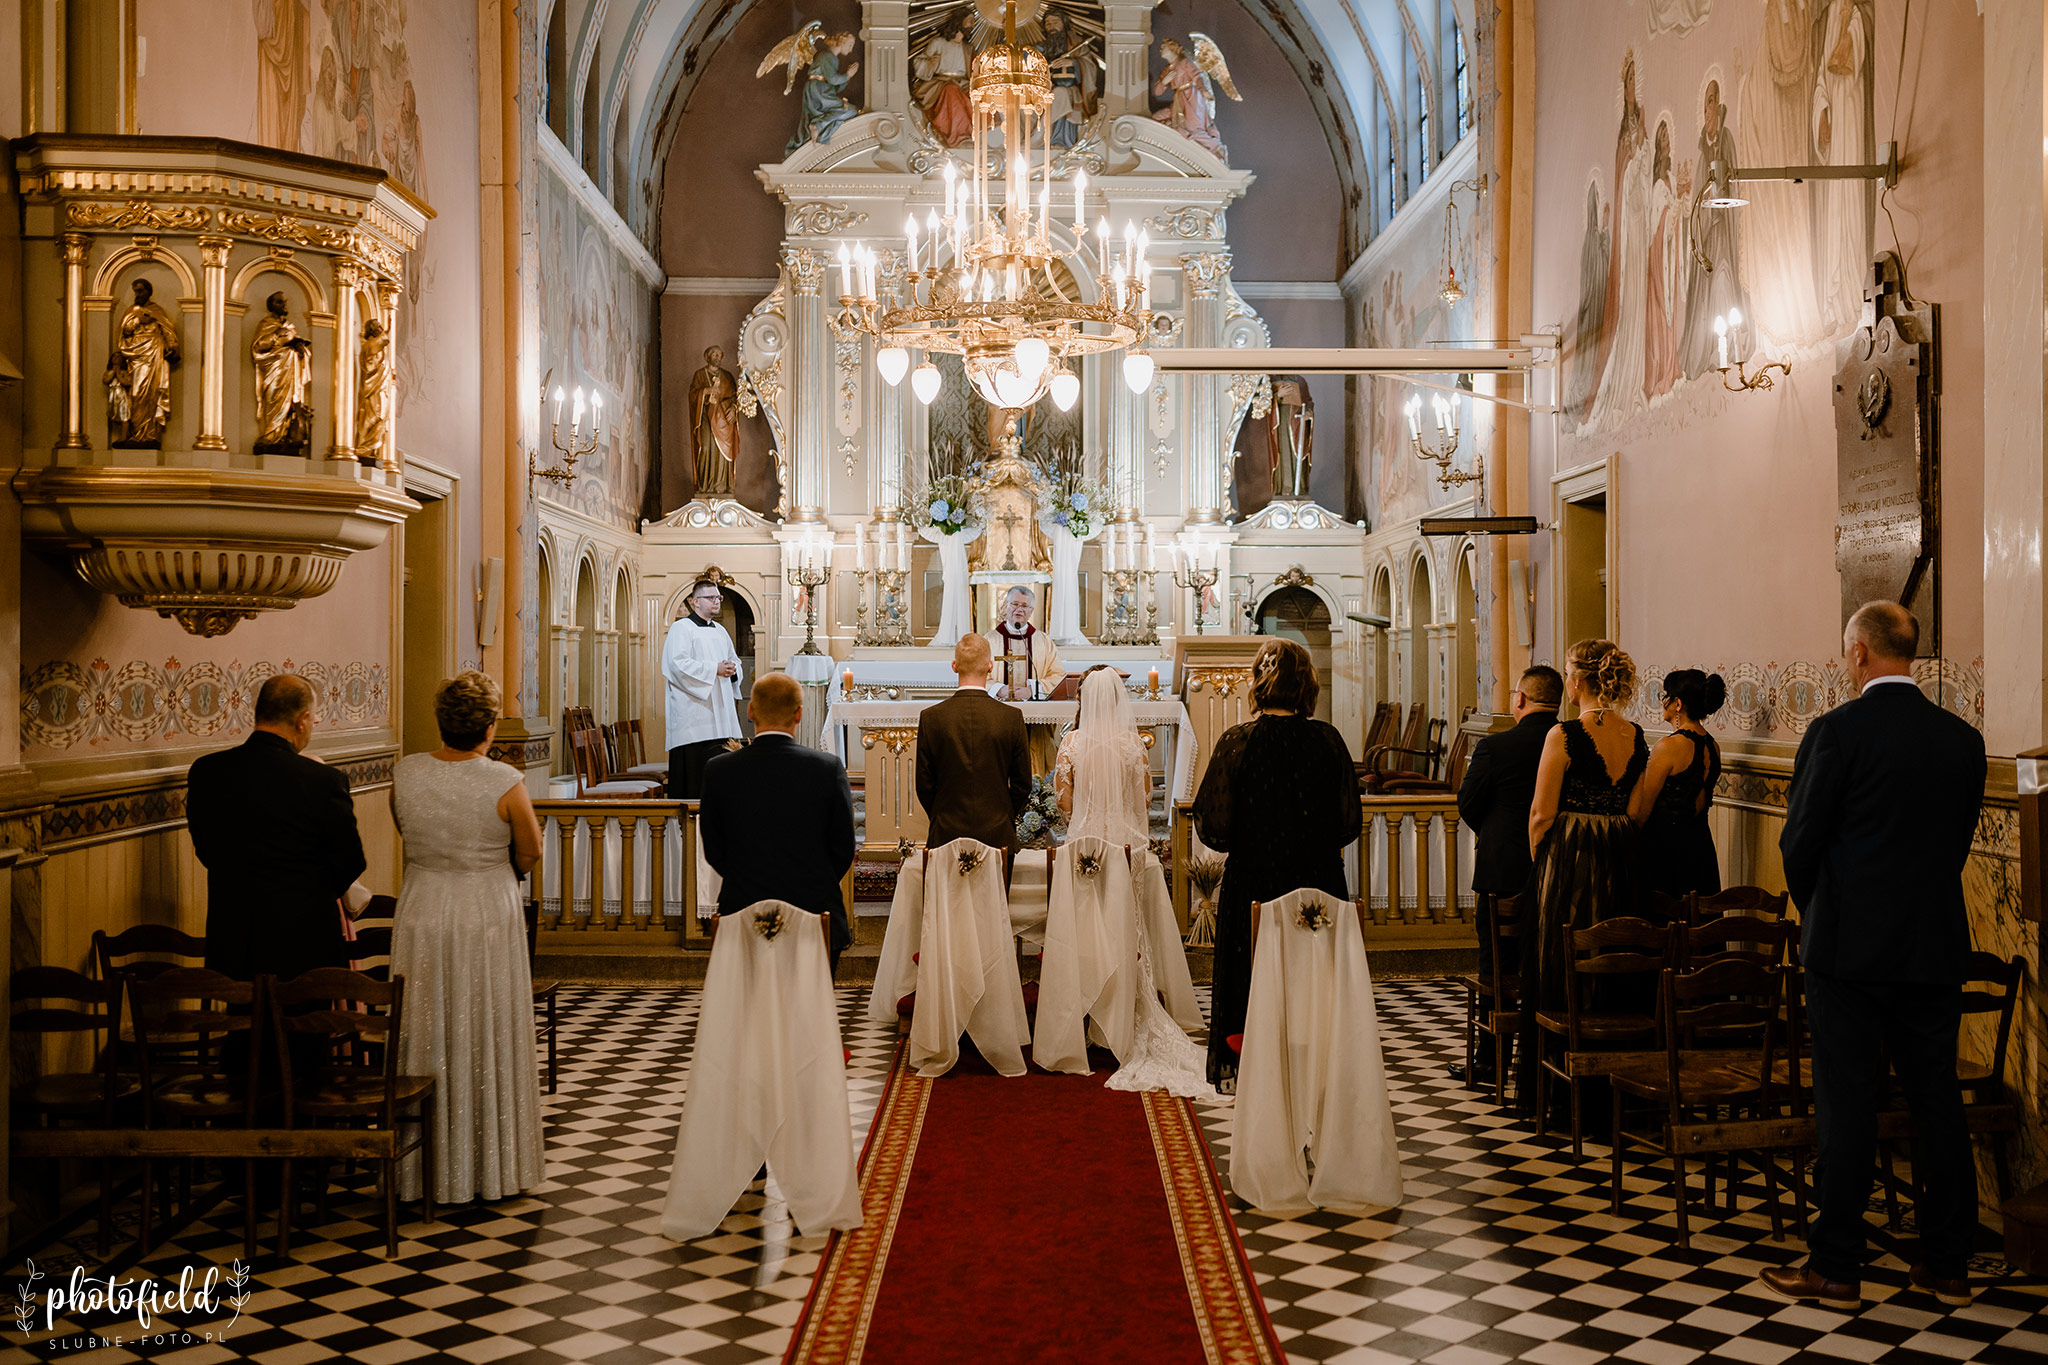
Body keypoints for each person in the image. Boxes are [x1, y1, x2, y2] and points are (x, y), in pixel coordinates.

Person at [1761, 603, 1985, 1313]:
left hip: (1847, 950)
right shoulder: (1963, 739)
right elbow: (1956, 843)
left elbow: (1799, 842)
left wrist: (1822, 910)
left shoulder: (1836, 731)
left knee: (1847, 1103)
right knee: (1936, 1100)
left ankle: (1835, 1267)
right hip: (1931, 945)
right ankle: (1949, 1264)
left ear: (1858, 652)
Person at [388, 671, 546, 1206]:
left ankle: (419, 1172)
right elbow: (530, 850)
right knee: (486, 1024)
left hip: (422, 908)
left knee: (426, 1024)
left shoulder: (406, 772)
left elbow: (406, 829)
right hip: (485, 912)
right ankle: (490, 1165)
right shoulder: (503, 779)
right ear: (490, 726)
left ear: (441, 721)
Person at [1192, 639, 1361, 1092]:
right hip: (1317, 879)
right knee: (1313, 976)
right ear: (1307, 685)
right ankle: (1316, 1067)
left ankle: (1253, 1068)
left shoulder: (1238, 742)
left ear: (1258, 681)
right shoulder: (1327, 739)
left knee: (1251, 974)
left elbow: (1213, 828)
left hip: (1255, 879)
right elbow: (1349, 822)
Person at [1058, 667, 1212, 1099]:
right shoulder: (1133, 745)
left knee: (1086, 930)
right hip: (1129, 849)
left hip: (1086, 849)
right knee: (1128, 930)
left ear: (1085, 700)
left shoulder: (1072, 743)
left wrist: (1084, 818)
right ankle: (1126, 1013)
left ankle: (1090, 1015)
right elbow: (1145, 797)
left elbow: (1065, 801)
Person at [1516, 639, 1647, 1121]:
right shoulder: (1635, 735)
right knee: (1612, 960)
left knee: (1561, 963)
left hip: (1570, 859)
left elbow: (1540, 813)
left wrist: (1543, 863)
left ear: (1577, 681)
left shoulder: (1564, 734)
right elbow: (1636, 810)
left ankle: (1559, 1092)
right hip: (1621, 857)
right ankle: (1610, 1092)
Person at [187, 674, 365, 982]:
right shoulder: (324, 780)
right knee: (306, 1014)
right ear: (302, 721)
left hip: (233, 940)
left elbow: (206, 849)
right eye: (314, 719)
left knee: (241, 1013)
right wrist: (310, 894)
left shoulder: (207, 771)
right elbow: (351, 861)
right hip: (305, 946)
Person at [1449, 664, 1563, 1085]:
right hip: (1558, 869)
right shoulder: (1571, 742)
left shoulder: (1497, 746)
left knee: (1496, 967)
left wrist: (1496, 833)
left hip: (1502, 872)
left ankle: (1490, 1061)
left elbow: (1468, 801)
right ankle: (1547, 1060)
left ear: (1521, 699)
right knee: (1550, 964)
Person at [700, 672, 858, 972]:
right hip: (815, 910)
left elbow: (714, 847)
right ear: (799, 714)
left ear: (750, 710)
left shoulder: (719, 770)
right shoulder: (827, 768)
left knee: (748, 1001)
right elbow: (843, 847)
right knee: (811, 1001)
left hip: (742, 909)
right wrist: (813, 882)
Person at [916, 633, 1031, 857]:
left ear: (954, 666)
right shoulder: (1011, 717)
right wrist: (1004, 814)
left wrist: (942, 815)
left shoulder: (931, 718)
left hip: (946, 832)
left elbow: (924, 784)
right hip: (998, 833)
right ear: (990, 667)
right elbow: (1022, 784)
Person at [1630, 669, 1726, 901]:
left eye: (1666, 696)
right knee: (1699, 918)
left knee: (1667, 918)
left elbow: (1643, 809)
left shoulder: (1669, 746)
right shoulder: (1713, 746)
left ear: (1678, 704)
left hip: (1666, 850)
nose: (1663, 701)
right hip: (1701, 846)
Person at [663, 578, 743, 800]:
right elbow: (676, 665)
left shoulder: (720, 631)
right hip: (694, 717)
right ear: (695, 601)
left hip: (721, 715)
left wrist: (732, 669)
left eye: (718, 597)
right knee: (693, 781)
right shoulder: (681, 628)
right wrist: (714, 669)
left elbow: (734, 659)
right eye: (710, 597)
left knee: (720, 781)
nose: (716, 601)